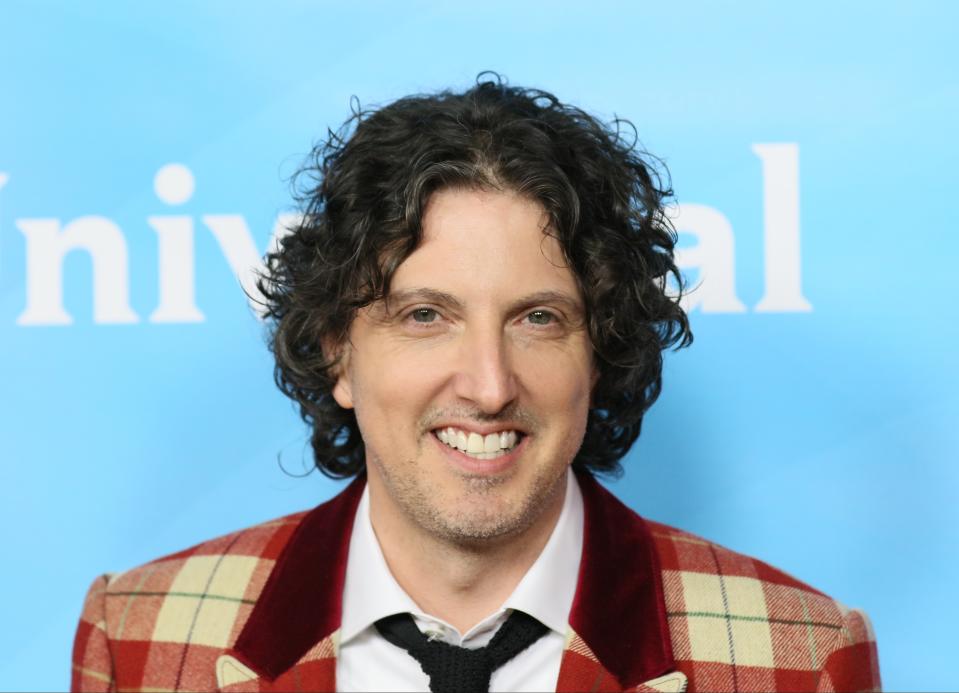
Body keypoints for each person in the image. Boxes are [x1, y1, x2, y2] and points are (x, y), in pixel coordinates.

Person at [71, 75, 881, 693]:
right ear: (337, 353)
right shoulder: (140, 634)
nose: (489, 385)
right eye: (426, 315)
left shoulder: (799, 657)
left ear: (597, 355)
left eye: (537, 318)